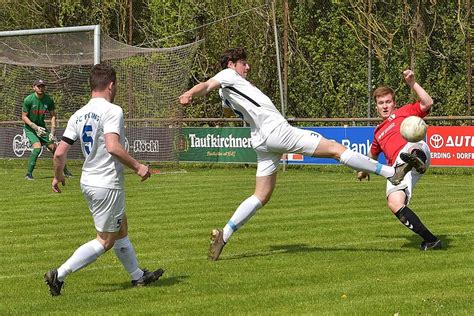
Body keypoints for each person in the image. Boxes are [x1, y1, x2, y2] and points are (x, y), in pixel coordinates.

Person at [179, 47, 420, 261]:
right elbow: (206, 85)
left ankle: (225, 234)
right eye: (243, 62)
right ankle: (391, 172)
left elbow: (228, 112)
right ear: (232, 64)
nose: (247, 66)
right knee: (336, 149)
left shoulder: (228, 90)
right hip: (277, 131)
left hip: (260, 141)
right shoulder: (227, 75)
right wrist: (190, 93)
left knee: (261, 195)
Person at [44, 64, 164, 296]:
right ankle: (59, 274)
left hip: (88, 181)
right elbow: (112, 147)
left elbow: (59, 153)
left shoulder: (78, 114)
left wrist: (57, 177)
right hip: (106, 183)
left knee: (121, 227)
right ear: (111, 85)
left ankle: (138, 276)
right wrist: (139, 167)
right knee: (105, 240)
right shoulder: (112, 110)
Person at [357, 69, 442, 251]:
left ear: (394, 103)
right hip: (397, 169)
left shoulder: (405, 112)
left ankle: (412, 159)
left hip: (417, 150)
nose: (385, 106)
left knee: (411, 146)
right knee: (394, 203)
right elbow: (372, 156)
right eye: (381, 103)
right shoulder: (378, 132)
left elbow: (427, 102)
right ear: (376, 106)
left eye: (388, 102)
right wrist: (362, 170)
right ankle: (431, 240)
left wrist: (412, 83)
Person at [21, 79, 71, 180]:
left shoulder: (48, 100)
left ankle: (65, 171)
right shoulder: (28, 100)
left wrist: (52, 131)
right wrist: (34, 126)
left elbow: (53, 116)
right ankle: (28, 174)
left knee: (55, 148)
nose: (40, 88)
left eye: (42, 86)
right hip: (30, 128)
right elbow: (24, 116)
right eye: (38, 86)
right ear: (33, 87)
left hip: (42, 129)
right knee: (37, 148)